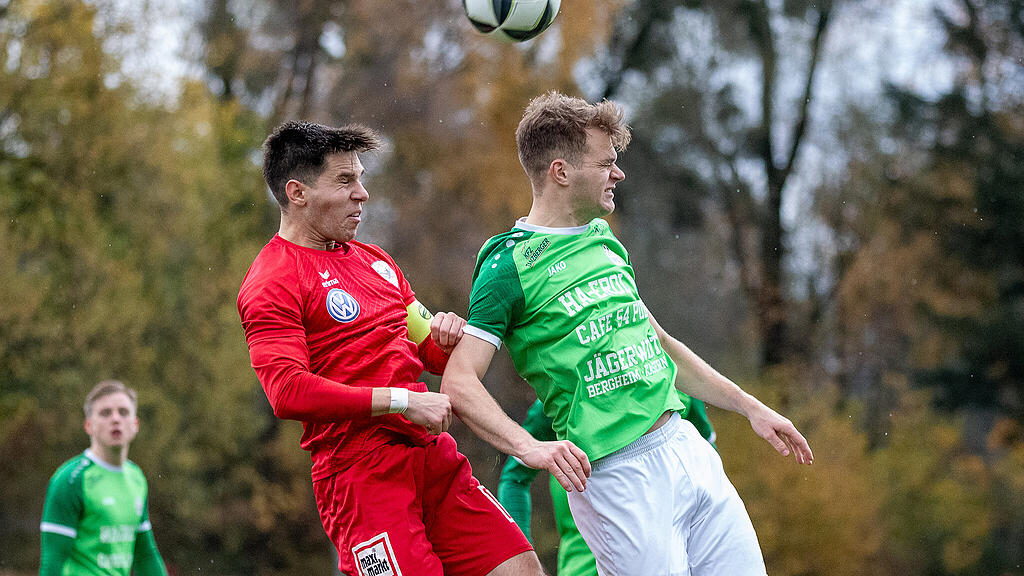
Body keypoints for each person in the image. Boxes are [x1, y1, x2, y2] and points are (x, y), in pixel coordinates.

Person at [441, 92, 814, 576]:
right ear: (561, 171)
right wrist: (529, 447)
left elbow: (661, 346)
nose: (618, 174)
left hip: (686, 449)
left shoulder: (605, 241)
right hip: (616, 478)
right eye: (607, 163)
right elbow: (459, 381)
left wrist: (750, 407)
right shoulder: (506, 263)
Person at [237, 121, 556, 576]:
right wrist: (403, 401)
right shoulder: (272, 281)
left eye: (361, 178)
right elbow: (287, 392)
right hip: (360, 476)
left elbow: (433, 354)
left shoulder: (376, 263)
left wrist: (448, 336)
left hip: (430, 456)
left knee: (521, 569)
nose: (362, 193)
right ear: (297, 192)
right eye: (345, 181)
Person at [498, 397, 718, 576]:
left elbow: (711, 469)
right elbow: (514, 479)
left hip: (673, 559)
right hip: (583, 567)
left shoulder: (673, 382)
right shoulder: (559, 397)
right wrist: (523, 562)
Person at [39, 380, 168, 576]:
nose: (115, 419)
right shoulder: (70, 479)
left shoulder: (136, 478)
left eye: (123, 412)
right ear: (89, 425)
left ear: (135, 425)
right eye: (105, 413)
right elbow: (52, 561)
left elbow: (145, 555)